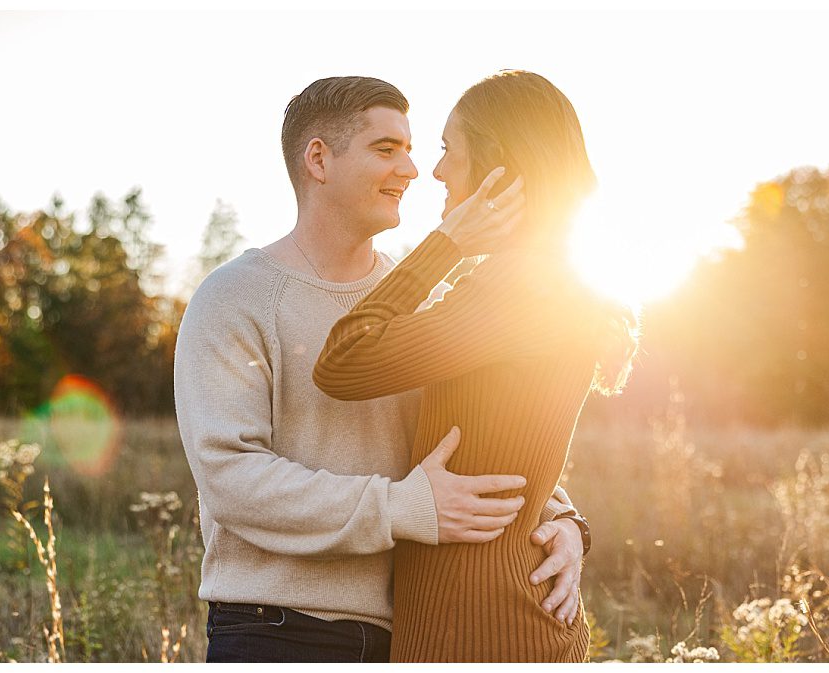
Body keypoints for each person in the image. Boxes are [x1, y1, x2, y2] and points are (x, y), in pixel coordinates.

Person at [174, 75, 590, 664]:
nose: (415, 169)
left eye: (414, 149)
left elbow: (481, 431)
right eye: (386, 149)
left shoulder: (415, 297)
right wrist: (402, 507)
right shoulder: (234, 298)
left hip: (409, 632)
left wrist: (566, 521)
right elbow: (230, 478)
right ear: (318, 159)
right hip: (277, 629)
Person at [313, 70, 638, 662]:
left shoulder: (518, 289)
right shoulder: (543, 281)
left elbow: (343, 362)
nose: (434, 172)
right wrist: (571, 523)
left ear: (497, 165)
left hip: (480, 624)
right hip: (489, 614)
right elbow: (512, 444)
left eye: (446, 149)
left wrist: (444, 244)